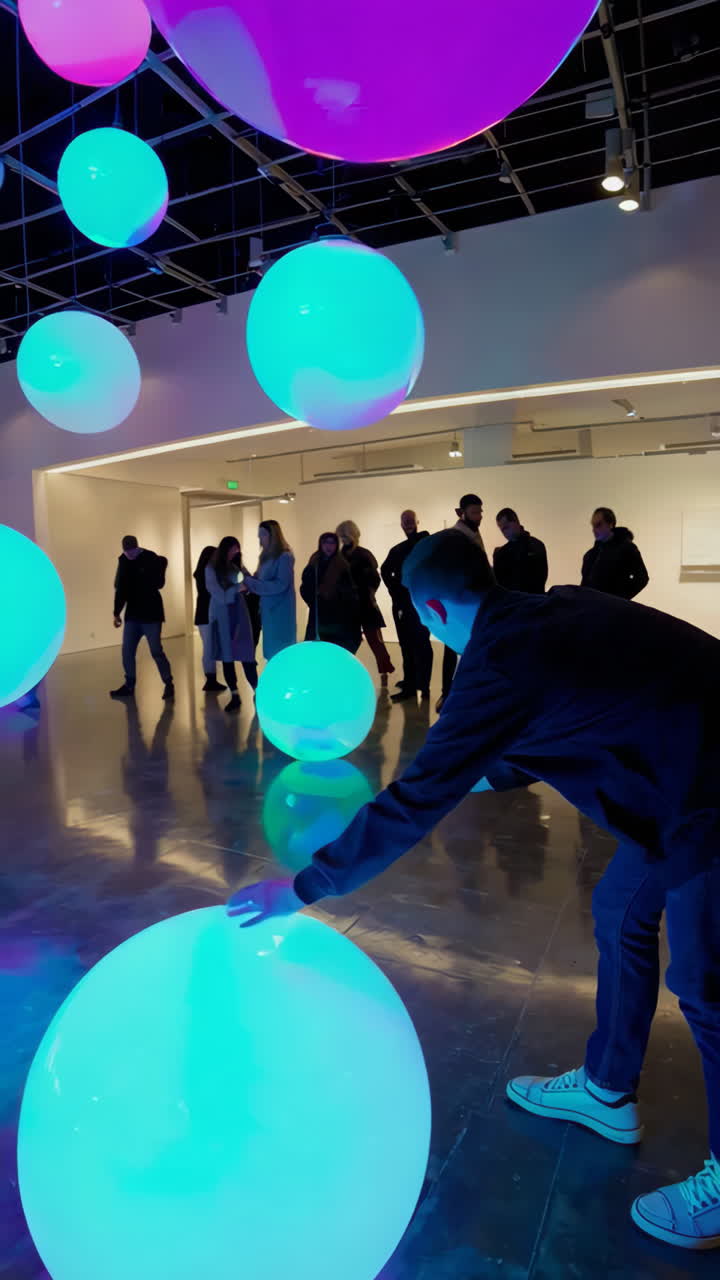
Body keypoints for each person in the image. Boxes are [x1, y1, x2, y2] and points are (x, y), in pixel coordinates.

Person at [230, 528, 720, 1253]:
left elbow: (419, 799)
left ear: (430, 609)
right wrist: (454, 774)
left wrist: (305, 886)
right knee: (620, 910)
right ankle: (606, 1088)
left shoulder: (500, 662)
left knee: (707, 988)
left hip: (704, 800)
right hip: (675, 785)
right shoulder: (548, 612)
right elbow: (551, 723)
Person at [110, 534, 174, 701]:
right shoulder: (123, 561)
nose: (129, 554)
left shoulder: (150, 557)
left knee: (156, 650)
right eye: (127, 552)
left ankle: (168, 683)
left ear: (137, 547)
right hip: (133, 614)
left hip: (151, 614)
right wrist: (116, 612)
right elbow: (121, 589)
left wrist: (157, 569)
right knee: (127, 651)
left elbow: (159, 583)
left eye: (132, 551)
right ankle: (129, 684)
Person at [438, 494, 485, 712]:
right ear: (462, 513)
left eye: (480, 512)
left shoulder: (473, 534)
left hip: (472, 602)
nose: (479, 516)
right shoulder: (456, 537)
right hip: (457, 602)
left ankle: (464, 694)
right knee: (452, 648)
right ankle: (447, 694)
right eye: (474, 512)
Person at [381, 509, 433, 703]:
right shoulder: (399, 549)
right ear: (401, 524)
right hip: (405, 603)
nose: (408, 523)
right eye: (405, 521)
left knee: (420, 643)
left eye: (411, 520)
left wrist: (398, 590)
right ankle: (413, 683)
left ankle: (421, 685)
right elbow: (385, 570)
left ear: (417, 521)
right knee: (408, 644)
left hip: (418, 603)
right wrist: (396, 591)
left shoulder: (423, 544)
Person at [336, 520, 395, 686]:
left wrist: (366, 592)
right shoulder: (340, 556)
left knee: (375, 641)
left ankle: (384, 671)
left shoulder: (362, 555)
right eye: (341, 536)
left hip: (365, 604)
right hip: (351, 605)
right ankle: (348, 672)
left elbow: (374, 579)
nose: (343, 539)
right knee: (352, 642)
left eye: (345, 535)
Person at [205, 536, 257, 713]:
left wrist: (247, 585)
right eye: (233, 549)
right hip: (222, 615)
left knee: (246, 654)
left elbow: (248, 581)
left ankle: (257, 690)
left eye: (237, 549)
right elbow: (219, 594)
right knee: (227, 656)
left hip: (239, 614)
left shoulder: (235, 566)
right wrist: (237, 588)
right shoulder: (211, 569)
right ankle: (234, 694)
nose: (236, 552)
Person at [242, 520, 296, 661]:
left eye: (263, 534)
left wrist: (250, 582)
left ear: (273, 536)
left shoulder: (284, 557)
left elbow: (280, 585)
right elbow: (258, 580)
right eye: (259, 535)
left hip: (280, 611)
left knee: (281, 651)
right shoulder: (265, 557)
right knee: (272, 651)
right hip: (268, 610)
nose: (260, 538)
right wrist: (244, 574)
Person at [300, 532, 361, 653]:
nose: (329, 546)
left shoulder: (342, 564)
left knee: (334, 647)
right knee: (317, 649)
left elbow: (349, 592)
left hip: (337, 616)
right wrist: (314, 600)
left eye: (332, 543)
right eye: (325, 543)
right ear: (321, 544)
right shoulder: (314, 562)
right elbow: (305, 586)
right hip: (318, 613)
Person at [581, 507, 649, 599]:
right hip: (591, 605)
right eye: (593, 525)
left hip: (613, 606)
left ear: (610, 524)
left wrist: (619, 599)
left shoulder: (627, 548)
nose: (594, 529)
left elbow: (642, 578)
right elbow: (584, 584)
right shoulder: (589, 555)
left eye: (599, 524)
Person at [193, 546, 225, 693]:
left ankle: (211, 678)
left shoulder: (201, 573)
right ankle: (210, 679)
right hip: (207, 613)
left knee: (209, 646)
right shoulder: (207, 573)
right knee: (209, 647)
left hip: (203, 613)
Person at [493, 508, 548, 593]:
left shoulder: (536, 545)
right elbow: (499, 583)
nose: (504, 532)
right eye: (502, 530)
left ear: (516, 522)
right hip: (514, 599)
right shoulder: (501, 553)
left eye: (506, 527)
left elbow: (540, 577)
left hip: (534, 597)